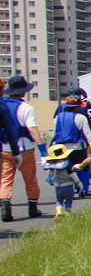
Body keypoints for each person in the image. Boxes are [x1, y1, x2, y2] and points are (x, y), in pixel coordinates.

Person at [0, 75, 45, 221]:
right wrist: (42, 149)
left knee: (5, 179)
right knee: (30, 179)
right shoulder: (26, 108)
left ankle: (5, 208)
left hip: (5, 148)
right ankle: (32, 208)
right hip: (24, 148)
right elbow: (32, 129)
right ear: (23, 92)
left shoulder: (3, 105)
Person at [52, 94, 91, 198]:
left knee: (66, 170)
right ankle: (83, 190)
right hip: (78, 148)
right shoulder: (81, 118)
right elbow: (88, 134)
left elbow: (54, 134)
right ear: (77, 107)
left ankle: (69, 192)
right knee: (83, 169)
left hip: (62, 149)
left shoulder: (58, 117)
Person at [42, 143, 89, 222]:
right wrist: (79, 184)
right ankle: (67, 215)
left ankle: (59, 211)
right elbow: (73, 175)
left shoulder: (51, 166)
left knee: (59, 201)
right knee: (68, 202)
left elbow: (50, 176)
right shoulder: (67, 164)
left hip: (58, 187)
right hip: (68, 187)